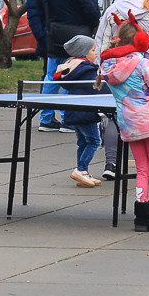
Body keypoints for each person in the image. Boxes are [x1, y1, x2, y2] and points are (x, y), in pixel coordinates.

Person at [100, 18, 149, 232]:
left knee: (142, 168)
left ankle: (141, 217)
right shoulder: (144, 64)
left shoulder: (109, 67)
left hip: (129, 123)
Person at [32, 0, 102, 132]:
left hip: (53, 36)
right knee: (73, 76)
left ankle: (46, 118)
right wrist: (93, 26)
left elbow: (38, 12)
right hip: (77, 36)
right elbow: (91, 10)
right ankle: (68, 118)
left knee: (51, 77)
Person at [54, 35, 105, 188]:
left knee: (83, 142)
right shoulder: (88, 70)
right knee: (95, 141)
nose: (96, 53)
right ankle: (81, 169)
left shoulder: (72, 67)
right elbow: (96, 88)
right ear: (84, 52)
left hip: (74, 110)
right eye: (93, 50)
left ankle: (83, 172)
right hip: (86, 112)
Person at [26, 0, 66, 131]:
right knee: (63, 76)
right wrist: (43, 37)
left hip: (50, 37)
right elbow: (34, 13)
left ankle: (48, 116)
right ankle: (59, 116)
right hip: (53, 38)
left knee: (52, 76)